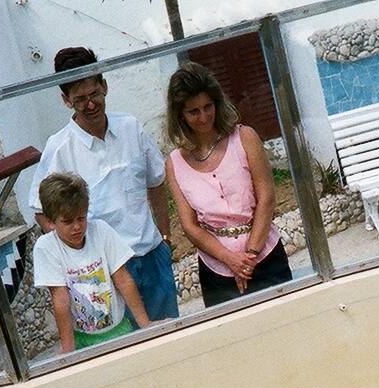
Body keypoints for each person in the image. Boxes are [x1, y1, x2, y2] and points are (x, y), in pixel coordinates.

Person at [27, 46, 179, 326]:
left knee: (173, 339)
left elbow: (156, 182)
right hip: (107, 275)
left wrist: (165, 238)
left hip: (153, 257)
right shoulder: (59, 148)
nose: (90, 104)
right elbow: (41, 211)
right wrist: (79, 258)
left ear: (105, 86)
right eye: (80, 99)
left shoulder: (131, 127)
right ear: (66, 100)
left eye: (94, 94)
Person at [163, 62, 293, 307]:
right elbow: (190, 226)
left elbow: (267, 199)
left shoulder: (245, 138)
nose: (203, 117)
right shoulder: (174, 163)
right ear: (180, 115)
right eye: (193, 111)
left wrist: (249, 256)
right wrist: (230, 260)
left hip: (265, 257)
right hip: (217, 271)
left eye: (208, 107)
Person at [33, 172, 151, 351]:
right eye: (67, 221)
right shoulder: (46, 247)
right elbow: (61, 298)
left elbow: (123, 279)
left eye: (81, 218)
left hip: (119, 329)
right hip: (82, 339)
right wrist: (68, 350)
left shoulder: (101, 231)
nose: (77, 227)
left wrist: (145, 324)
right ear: (50, 222)